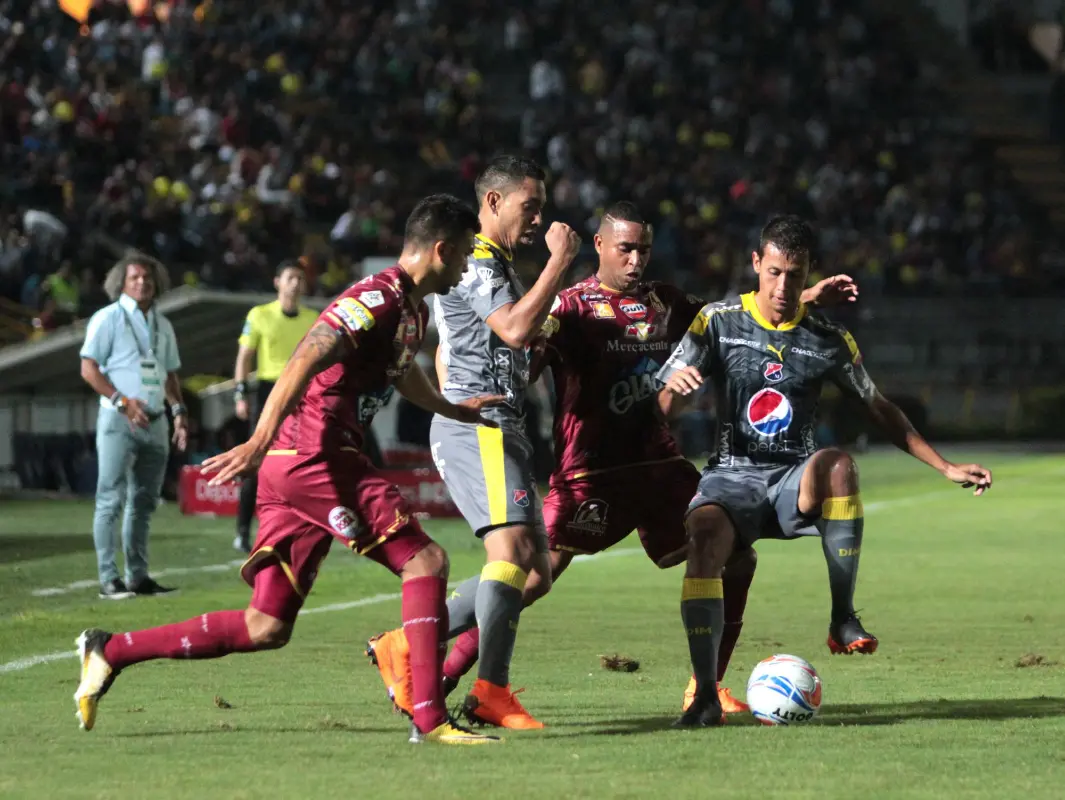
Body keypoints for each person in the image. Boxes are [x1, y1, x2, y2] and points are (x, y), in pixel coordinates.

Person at [369, 202, 858, 717]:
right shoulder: (571, 308)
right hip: (591, 472)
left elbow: (737, 323)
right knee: (530, 576)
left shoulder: (668, 302)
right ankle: (423, 656)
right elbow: (517, 356)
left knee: (737, 558)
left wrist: (800, 296)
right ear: (599, 245)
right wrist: (459, 376)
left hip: (659, 467)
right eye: (625, 248)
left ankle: (705, 687)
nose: (635, 260)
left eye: (643, 249)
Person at [73, 195, 502, 746]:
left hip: (308, 463)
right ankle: (430, 716)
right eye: (465, 254)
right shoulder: (375, 297)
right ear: (440, 249)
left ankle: (110, 649)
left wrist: (452, 408)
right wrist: (257, 440)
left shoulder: (413, 311)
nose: (467, 266)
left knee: (266, 626)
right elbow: (305, 356)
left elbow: (401, 374)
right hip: (315, 457)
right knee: (426, 560)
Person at [656, 214, 993, 727]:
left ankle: (842, 616)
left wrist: (944, 466)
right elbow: (661, 406)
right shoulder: (718, 321)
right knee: (704, 541)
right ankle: (703, 693)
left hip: (795, 479)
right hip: (732, 476)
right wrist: (673, 393)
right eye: (774, 272)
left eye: (794, 274)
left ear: (809, 270)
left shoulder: (829, 340)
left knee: (838, 465)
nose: (783, 286)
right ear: (755, 264)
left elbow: (879, 407)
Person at [367, 155, 581, 730]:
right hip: (477, 427)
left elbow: (484, 343)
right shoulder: (481, 261)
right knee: (509, 557)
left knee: (535, 574)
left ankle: (404, 645)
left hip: (501, 425)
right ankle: (491, 690)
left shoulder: (495, 265)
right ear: (492, 203)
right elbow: (510, 327)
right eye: (528, 206)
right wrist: (560, 263)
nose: (538, 218)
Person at [79, 254, 188, 600]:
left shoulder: (163, 324)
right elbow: (89, 368)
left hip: (155, 421)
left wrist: (179, 411)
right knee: (110, 498)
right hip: (118, 418)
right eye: (135, 277)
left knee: (144, 501)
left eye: (148, 278)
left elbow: (169, 374)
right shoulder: (108, 318)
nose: (142, 283)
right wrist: (123, 402)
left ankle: (138, 577)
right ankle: (109, 579)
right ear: (121, 283)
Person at [232, 259, 318, 553]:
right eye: (290, 277)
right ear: (277, 282)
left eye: (300, 278)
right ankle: (243, 531)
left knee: (303, 460)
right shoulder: (259, 315)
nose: (296, 283)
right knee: (257, 459)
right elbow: (244, 357)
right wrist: (240, 394)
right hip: (269, 391)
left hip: (303, 394)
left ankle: (300, 529)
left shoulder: (313, 318)